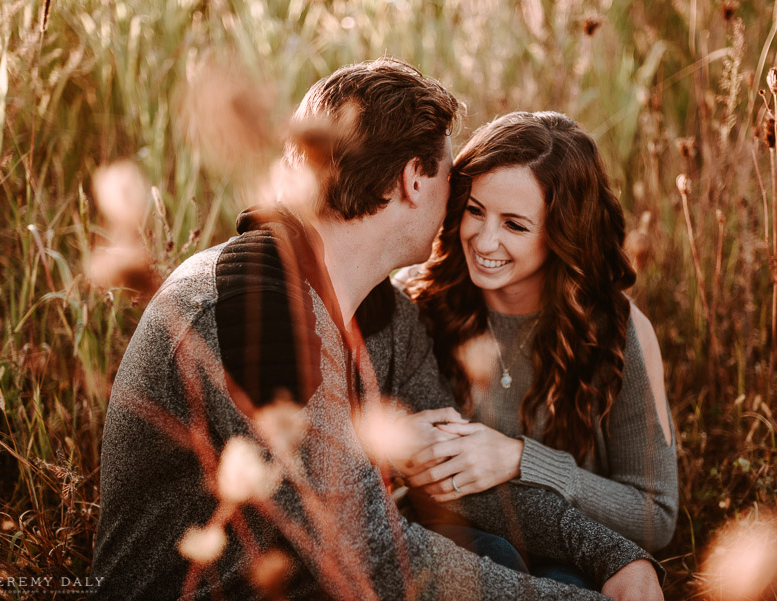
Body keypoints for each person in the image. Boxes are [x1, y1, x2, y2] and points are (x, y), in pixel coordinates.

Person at [91, 61, 665, 600]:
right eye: (453, 181)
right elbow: (375, 556)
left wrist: (616, 559)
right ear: (416, 179)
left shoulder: (385, 313)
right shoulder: (252, 312)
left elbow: (457, 473)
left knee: (493, 549)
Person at [369, 111, 676, 567]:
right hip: (450, 552)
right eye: (475, 211)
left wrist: (521, 460)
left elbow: (656, 517)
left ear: (562, 233)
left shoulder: (617, 331)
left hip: (574, 562)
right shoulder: (417, 300)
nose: (484, 240)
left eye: (514, 224)